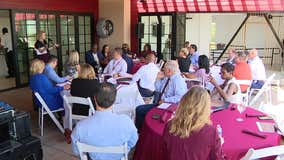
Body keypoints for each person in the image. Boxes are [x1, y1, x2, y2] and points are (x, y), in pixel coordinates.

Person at [71, 82, 138, 160]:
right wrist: (124, 149)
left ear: (95, 99)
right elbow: (133, 141)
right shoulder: (127, 122)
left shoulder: (80, 126)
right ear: (114, 100)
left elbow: (76, 151)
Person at [163, 86, 225, 160]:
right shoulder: (211, 132)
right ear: (206, 107)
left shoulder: (169, 125)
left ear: (183, 102)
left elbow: (164, 152)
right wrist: (218, 143)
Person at [135, 60, 187, 129]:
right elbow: (158, 89)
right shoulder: (167, 77)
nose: (162, 70)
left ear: (169, 71)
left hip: (170, 106)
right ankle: (142, 129)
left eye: (164, 69)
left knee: (140, 110)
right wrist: (157, 79)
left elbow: (180, 97)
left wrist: (165, 100)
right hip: (161, 103)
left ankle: (142, 130)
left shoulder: (178, 80)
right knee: (139, 109)